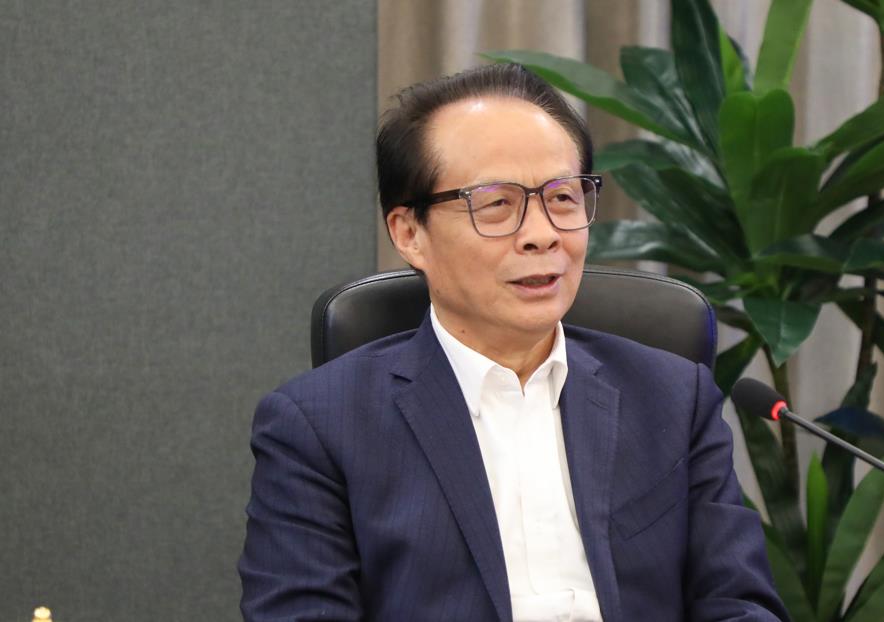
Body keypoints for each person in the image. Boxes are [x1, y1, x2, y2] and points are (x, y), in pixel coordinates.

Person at [238, 63, 789, 622]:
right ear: (409, 233)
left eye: (563, 198)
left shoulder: (672, 396)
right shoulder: (318, 427)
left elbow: (738, 604)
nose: (542, 234)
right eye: (497, 204)